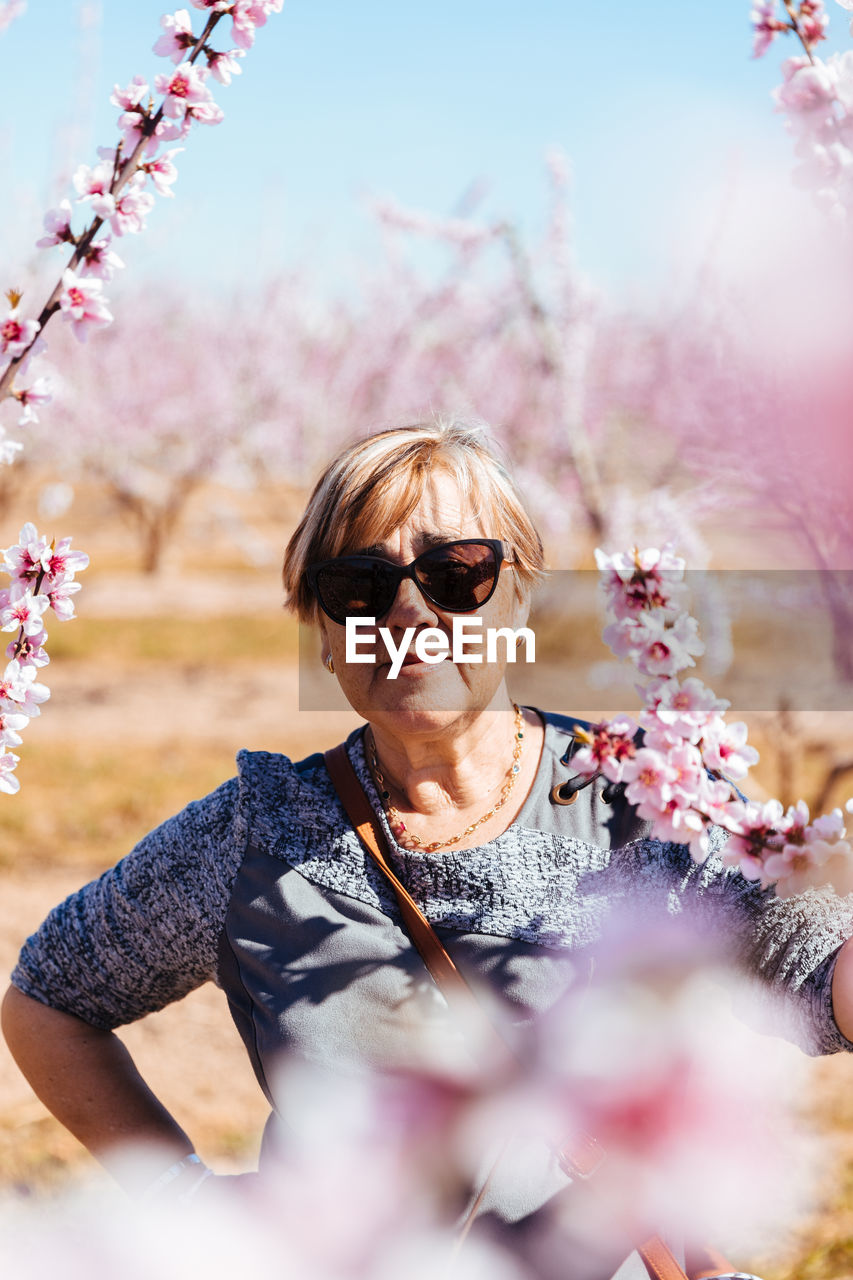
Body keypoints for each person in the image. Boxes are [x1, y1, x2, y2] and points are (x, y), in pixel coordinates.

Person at [4, 418, 853, 1279]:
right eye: (359, 585)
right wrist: (180, 1196)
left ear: (518, 597)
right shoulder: (257, 834)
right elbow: (48, 999)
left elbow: (813, 960)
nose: (410, 613)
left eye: (457, 574)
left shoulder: (642, 791)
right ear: (323, 631)